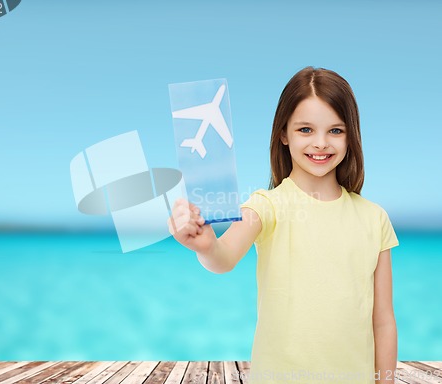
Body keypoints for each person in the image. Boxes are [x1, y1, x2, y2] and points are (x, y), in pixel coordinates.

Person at [168, 66, 399, 384]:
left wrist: (384, 380)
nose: (321, 143)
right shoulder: (266, 206)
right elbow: (222, 258)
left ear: (351, 135)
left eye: (335, 130)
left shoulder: (375, 218)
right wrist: (206, 245)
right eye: (306, 129)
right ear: (283, 134)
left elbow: (383, 321)